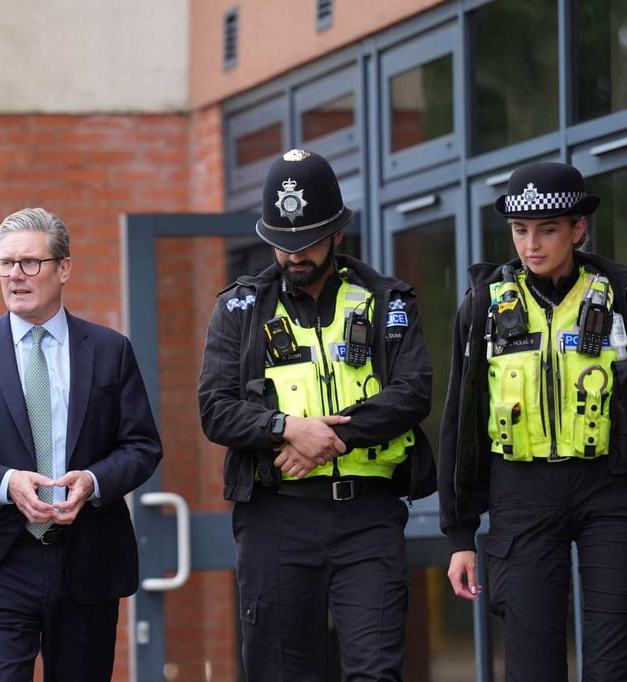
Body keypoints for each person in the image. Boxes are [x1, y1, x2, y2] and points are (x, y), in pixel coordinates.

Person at [198, 149, 437, 681]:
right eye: (282, 245)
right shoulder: (239, 309)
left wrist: (332, 439)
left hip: (367, 517)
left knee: (376, 672)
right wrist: (287, 429)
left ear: (337, 235)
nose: (294, 256)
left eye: (306, 242)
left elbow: (413, 391)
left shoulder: (386, 299)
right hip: (275, 519)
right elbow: (215, 410)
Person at [0, 206, 162, 681]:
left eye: (29, 263)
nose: (15, 275)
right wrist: (7, 482)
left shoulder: (109, 349)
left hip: (87, 558)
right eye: (4, 264)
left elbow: (141, 445)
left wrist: (94, 481)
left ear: (64, 269)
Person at [439, 161, 627, 680]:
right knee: (532, 665)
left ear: (578, 229)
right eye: (521, 231)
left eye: (547, 229)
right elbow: (462, 420)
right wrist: (459, 534)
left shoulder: (619, 295)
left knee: (614, 660)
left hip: (609, 491)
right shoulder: (483, 306)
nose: (531, 245)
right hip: (520, 494)